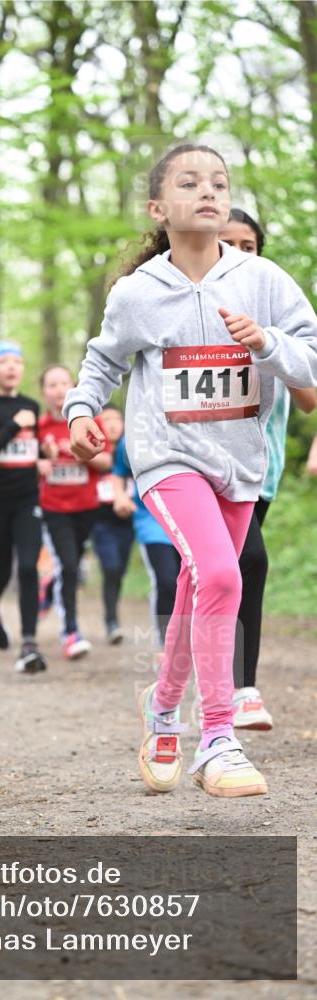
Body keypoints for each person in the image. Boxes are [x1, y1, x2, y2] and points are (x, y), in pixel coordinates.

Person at [66, 143, 317, 798]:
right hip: (167, 456)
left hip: (239, 462)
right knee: (220, 574)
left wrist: (266, 344)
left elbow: (311, 360)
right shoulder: (137, 294)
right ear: (158, 208)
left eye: (218, 181)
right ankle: (216, 739)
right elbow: (100, 363)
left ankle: (160, 712)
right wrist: (78, 414)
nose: (207, 190)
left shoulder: (263, 282)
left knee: (197, 585)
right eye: (188, 182)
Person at [219, 209, 317, 730]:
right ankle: (241, 689)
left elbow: (307, 399)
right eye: (227, 242)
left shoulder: (276, 317)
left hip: (263, 474)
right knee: (249, 562)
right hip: (205, 468)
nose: (239, 252)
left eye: (249, 245)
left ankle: (200, 673)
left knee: (226, 575)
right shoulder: (192, 307)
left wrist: (268, 344)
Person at [0, 340, 47, 674]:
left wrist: (47, 455)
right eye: (3, 361)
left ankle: (29, 643)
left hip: (28, 499)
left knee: (29, 568)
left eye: (17, 361)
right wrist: (15, 425)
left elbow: (34, 450)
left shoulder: (32, 404)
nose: (12, 367)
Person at [37, 365, 106, 659]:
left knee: (73, 566)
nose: (58, 390)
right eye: (51, 385)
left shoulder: (89, 421)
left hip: (86, 506)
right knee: (67, 565)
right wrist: (41, 460)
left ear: (73, 387)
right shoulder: (37, 429)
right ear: (43, 392)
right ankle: (71, 632)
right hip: (53, 508)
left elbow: (106, 463)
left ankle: (50, 586)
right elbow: (27, 467)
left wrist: (83, 453)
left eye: (64, 383)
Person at [111, 436, 180, 654]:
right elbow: (119, 472)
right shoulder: (133, 436)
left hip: (188, 519)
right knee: (166, 581)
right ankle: (166, 645)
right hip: (152, 522)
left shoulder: (191, 425)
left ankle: (192, 641)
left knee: (190, 584)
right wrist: (120, 497)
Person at [89, 406, 134, 644]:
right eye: (107, 420)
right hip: (100, 519)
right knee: (111, 567)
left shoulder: (133, 451)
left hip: (127, 519)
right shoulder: (92, 452)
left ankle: (112, 616)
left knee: (119, 571)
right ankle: (111, 620)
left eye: (117, 419)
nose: (114, 424)